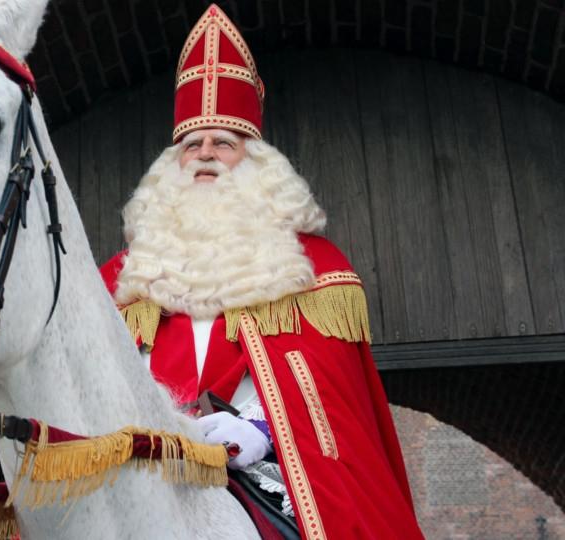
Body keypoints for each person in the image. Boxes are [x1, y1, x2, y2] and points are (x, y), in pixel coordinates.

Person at [100, 5, 424, 538]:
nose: (204, 154)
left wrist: (260, 427)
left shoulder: (312, 268)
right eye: (191, 145)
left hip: (266, 470)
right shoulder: (123, 276)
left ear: (254, 162)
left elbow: (331, 401)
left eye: (223, 143)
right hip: (139, 468)